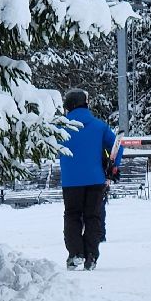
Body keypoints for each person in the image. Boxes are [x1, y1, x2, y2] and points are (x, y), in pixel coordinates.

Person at [58, 88, 121, 270]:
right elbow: (117, 145)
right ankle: (91, 255)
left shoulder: (60, 127)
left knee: (72, 216)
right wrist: (113, 164)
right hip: (95, 179)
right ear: (86, 104)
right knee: (93, 217)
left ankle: (75, 253)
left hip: (70, 181)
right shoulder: (99, 126)